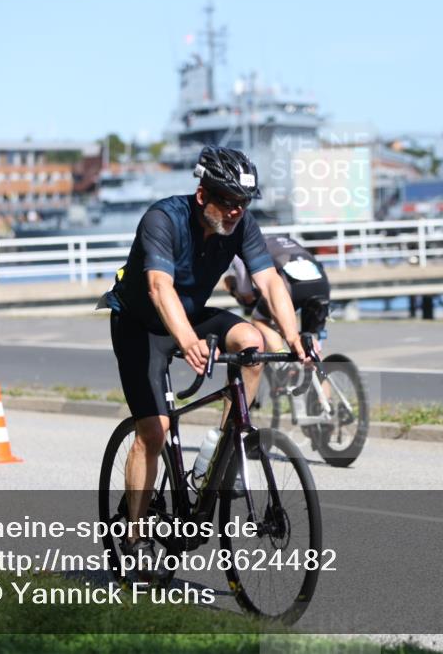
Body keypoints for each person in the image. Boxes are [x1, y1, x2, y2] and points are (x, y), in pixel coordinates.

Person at [102, 145, 307, 572]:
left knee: (251, 343)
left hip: (191, 315)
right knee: (154, 432)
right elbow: (160, 288)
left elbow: (269, 282)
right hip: (141, 324)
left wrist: (293, 335)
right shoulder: (163, 219)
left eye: (243, 204)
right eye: (228, 201)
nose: (235, 212)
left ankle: (217, 453)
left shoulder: (241, 224)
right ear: (203, 195)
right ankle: (136, 538)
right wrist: (187, 340)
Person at [224, 235, 331, 354]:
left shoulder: (249, 245)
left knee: (259, 320)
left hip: (292, 285)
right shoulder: (286, 240)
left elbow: (246, 293)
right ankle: (316, 366)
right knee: (309, 339)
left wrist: (234, 290)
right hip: (322, 285)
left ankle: (282, 361)